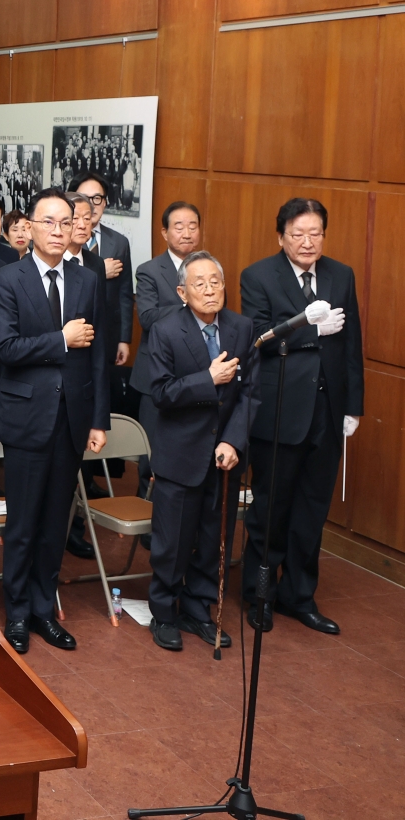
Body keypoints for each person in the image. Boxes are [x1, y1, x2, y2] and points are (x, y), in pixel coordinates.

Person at [0, 188, 108, 655]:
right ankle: (16, 611)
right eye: (48, 222)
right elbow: (6, 349)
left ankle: (43, 608)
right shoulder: (8, 278)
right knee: (22, 523)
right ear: (30, 229)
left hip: (73, 418)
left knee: (57, 521)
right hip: (25, 417)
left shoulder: (87, 279)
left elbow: (97, 353)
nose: (58, 231)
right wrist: (60, 339)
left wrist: (99, 418)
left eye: (66, 222)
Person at [238, 198, 362, 635]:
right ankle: (259, 595)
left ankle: (300, 597)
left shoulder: (340, 274)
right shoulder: (258, 276)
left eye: (316, 234)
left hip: (327, 415)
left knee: (312, 510)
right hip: (280, 414)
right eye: (298, 234)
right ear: (281, 237)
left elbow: (351, 347)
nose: (308, 242)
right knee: (270, 510)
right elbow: (259, 338)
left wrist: (353, 407)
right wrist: (311, 329)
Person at [145, 251, 257, 652]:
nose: (210, 290)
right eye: (200, 284)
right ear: (182, 291)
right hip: (180, 453)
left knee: (214, 541)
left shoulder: (242, 328)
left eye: (216, 282)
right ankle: (164, 613)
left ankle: (198, 609)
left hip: (223, 454)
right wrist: (205, 379)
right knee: (172, 542)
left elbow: (249, 393)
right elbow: (160, 392)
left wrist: (233, 440)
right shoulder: (166, 330)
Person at [73, 172, 133, 369]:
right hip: (72, 329)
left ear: (105, 202)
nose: (91, 205)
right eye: (83, 198)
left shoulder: (119, 242)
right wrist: (100, 271)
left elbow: (125, 294)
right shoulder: (62, 239)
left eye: (97, 198)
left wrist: (124, 339)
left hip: (107, 334)